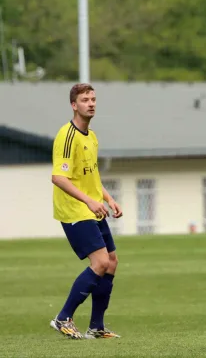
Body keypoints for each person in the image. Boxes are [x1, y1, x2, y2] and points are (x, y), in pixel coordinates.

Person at [50, 83, 122, 339]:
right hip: (74, 210)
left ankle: (96, 327)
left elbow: (90, 176)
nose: (90, 103)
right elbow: (59, 177)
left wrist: (108, 198)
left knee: (111, 263)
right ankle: (63, 318)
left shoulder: (91, 136)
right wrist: (89, 202)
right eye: (84, 100)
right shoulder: (67, 136)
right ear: (74, 105)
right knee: (100, 262)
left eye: (93, 99)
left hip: (93, 209)